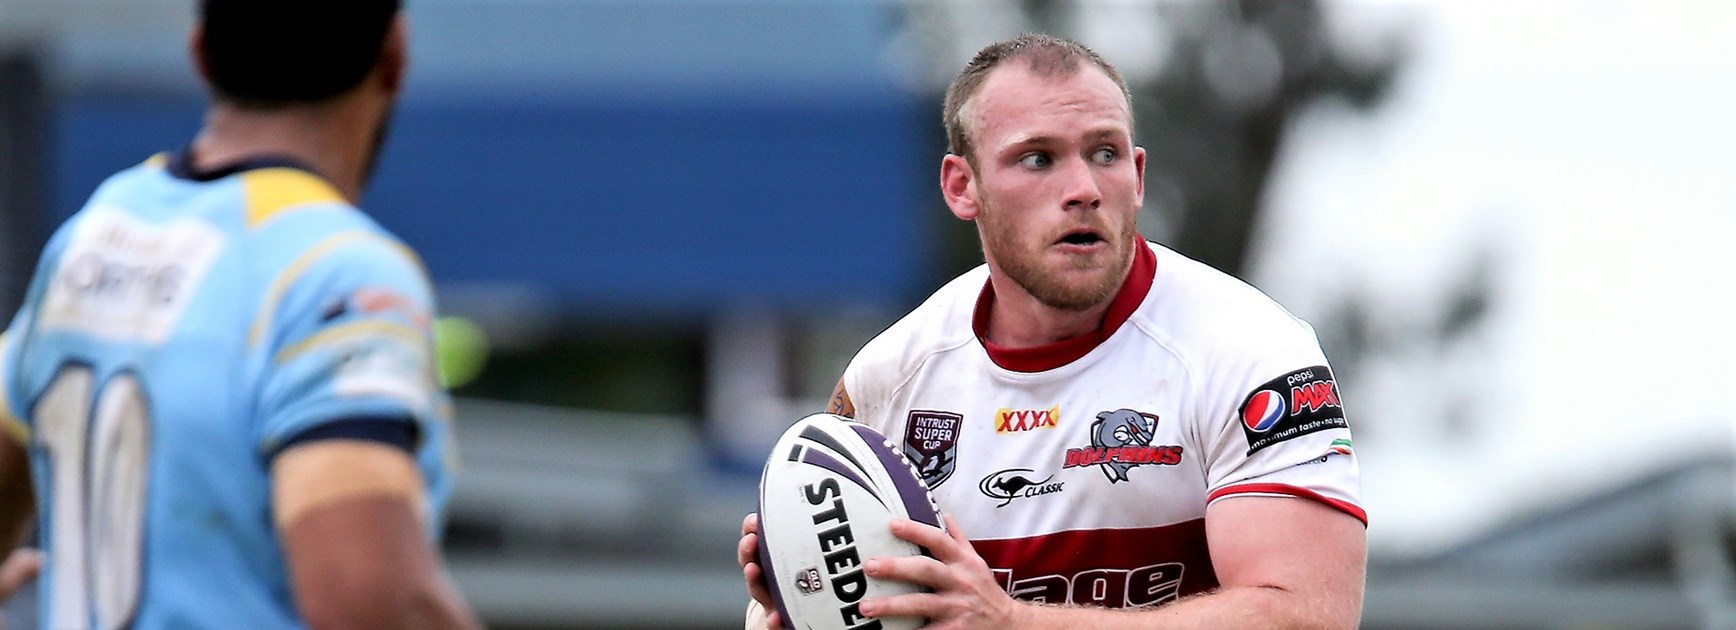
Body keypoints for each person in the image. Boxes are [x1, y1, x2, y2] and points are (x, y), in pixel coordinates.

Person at [739, 34, 1366, 628]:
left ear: (1139, 176)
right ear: (963, 187)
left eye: (1105, 153)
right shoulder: (889, 379)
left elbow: (1307, 614)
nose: (1084, 189)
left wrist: (1014, 623)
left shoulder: (1251, 353)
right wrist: (797, 604)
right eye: (1038, 158)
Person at [0, 1, 479, 627]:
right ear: (394, 54)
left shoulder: (101, 230)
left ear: (200, 52)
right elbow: (363, 598)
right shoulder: (336, 272)